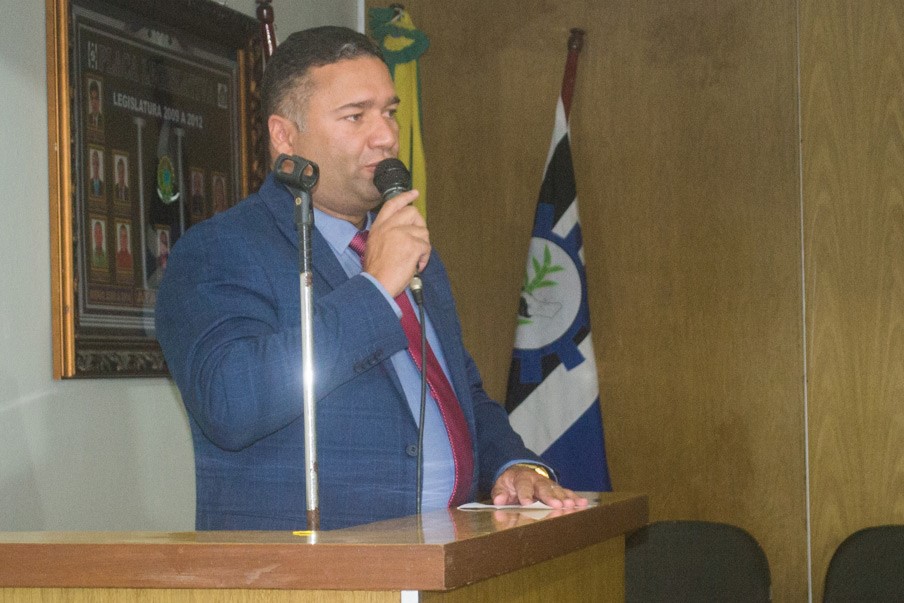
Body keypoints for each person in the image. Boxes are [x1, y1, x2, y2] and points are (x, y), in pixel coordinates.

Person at [155, 26, 587, 531]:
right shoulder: (218, 251)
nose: (385, 136)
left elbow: (461, 395)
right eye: (356, 116)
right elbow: (231, 403)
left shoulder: (408, 248)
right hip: (308, 564)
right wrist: (376, 288)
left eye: (389, 112)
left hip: (447, 551)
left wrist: (512, 465)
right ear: (284, 136)